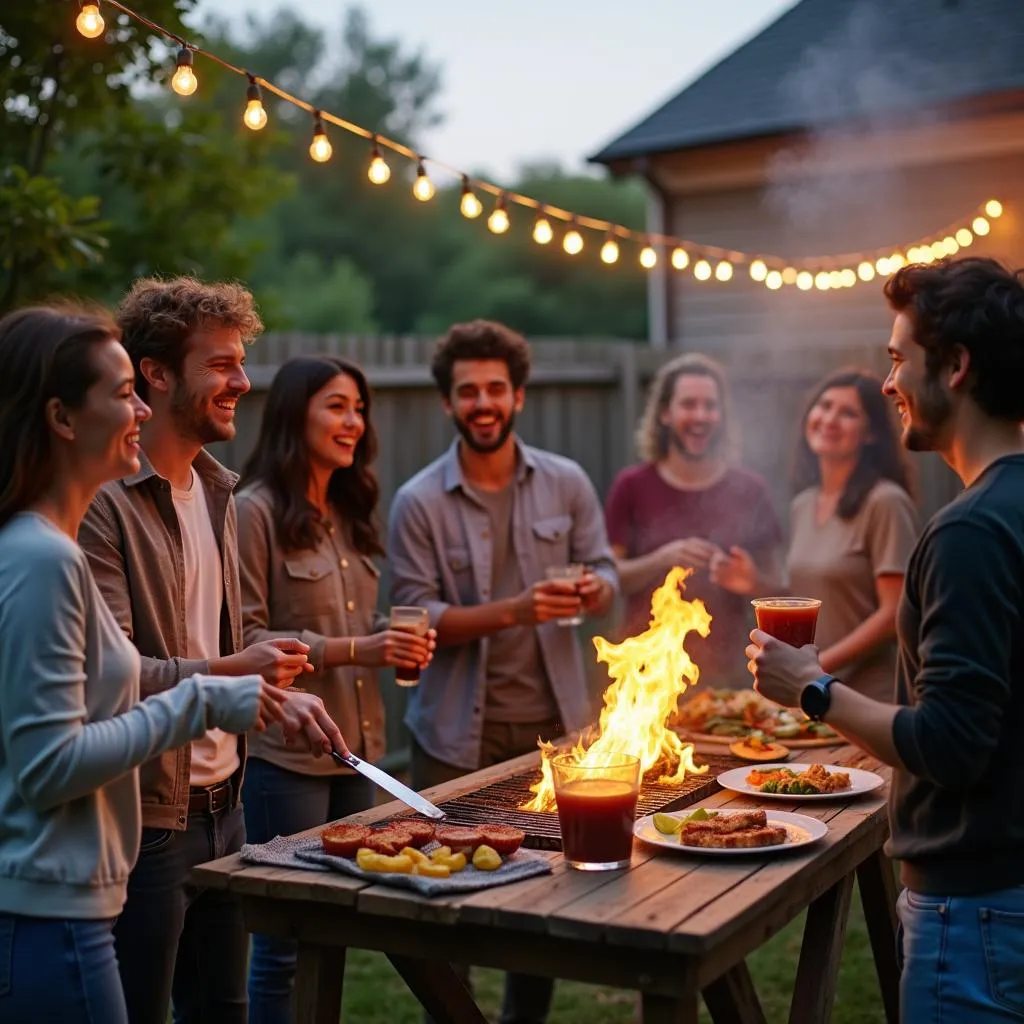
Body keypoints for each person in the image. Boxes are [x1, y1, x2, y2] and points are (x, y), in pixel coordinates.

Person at [0, 304, 319, 1022]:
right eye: (122, 393)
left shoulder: (53, 543)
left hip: (98, 886)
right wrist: (208, 697)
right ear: (60, 417)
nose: (141, 410)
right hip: (54, 912)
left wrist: (243, 697)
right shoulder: (43, 556)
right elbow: (47, 765)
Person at [746, 257, 1024, 1022]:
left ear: (957, 367)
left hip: (980, 912)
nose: (888, 381)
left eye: (899, 357)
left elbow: (952, 745)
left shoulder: (968, 532)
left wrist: (812, 686)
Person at [78, 277, 344, 1024]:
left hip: (230, 803)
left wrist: (278, 690)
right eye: (222, 365)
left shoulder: (218, 489)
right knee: (135, 1011)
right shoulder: (103, 505)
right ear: (157, 374)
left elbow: (218, 646)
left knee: (223, 1009)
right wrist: (239, 675)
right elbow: (114, 678)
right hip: (147, 815)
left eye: (241, 361)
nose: (242, 382)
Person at [387, 319, 618, 1024]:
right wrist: (514, 611)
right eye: (467, 392)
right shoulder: (418, 501)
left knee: (539, 899)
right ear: (447, 404)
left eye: (495, 388)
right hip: (454, 737)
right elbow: (413, 616)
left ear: (518, 396)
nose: (482, 402)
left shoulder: (567, 481)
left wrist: (596, 590)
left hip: (556, 728)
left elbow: (604, 568)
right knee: (446, 904)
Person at [235, 355, 435, 1024]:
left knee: (337, 934)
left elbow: (344, 622)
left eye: (359, 409)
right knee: (285, 939)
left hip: (356, 748)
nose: (354, 422)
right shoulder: (253, 511)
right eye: (337, 406)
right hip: (284, 755)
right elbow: (247, 637)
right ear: (296, 414)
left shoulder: (348, 510)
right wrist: (362, 647)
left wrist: (391, 637)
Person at [604, 353, 783, 686]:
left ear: (722, 416)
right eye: (688, 404)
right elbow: (611, 578)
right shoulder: (632, 486)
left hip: (731, 674)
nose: (700, 415)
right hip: (646, 677)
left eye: (709, 406)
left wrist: (750, 581)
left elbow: (780, 587)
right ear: (664, 414)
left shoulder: (750, 489)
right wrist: (663, 558)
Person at [786, 368, 918, 700]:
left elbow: (893, 614)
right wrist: (754, 583)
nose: (830, 419)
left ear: (870, 434)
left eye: (848, 413)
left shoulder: (885, 502)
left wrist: (815, 669)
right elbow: (820, 594)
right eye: (825, 406)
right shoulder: (802, 505)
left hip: (868, 697)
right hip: (813, 694)